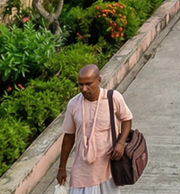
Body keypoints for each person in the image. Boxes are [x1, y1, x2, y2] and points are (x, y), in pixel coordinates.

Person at [55, 64, 133, 194]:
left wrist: (121, 143)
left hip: (108, 166)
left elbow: (126, 119)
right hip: (83, 168)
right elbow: (69, 136)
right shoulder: (74, 104)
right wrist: (62, 167)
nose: (84, 89)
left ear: (99, 80)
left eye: (88, 84)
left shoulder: (113, 98)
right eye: (80, 85)